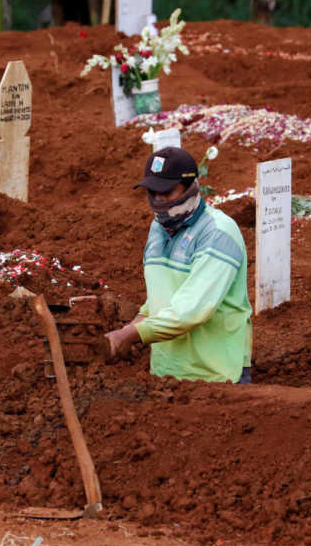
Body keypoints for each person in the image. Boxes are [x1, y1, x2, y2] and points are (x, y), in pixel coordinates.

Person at [104, 147, 253, 383]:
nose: (158, 199)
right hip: (167, 377)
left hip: (216, 376)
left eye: (166, 191)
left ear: (190, 187)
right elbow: (163, 296)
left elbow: (191, 311)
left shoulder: (218, 233)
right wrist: (129, 328)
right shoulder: (158, 229)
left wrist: (130, 335)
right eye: (152, 192)